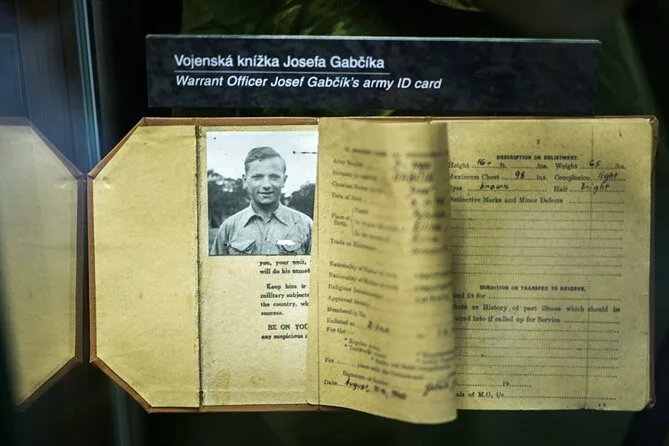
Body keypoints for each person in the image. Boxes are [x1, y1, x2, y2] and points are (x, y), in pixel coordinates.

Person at [210, 146, 313, 256]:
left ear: (284, 180)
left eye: (274, 177)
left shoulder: (306, 225)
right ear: (245, 181)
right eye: (257, 177)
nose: (266, 185)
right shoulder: (229, 227)